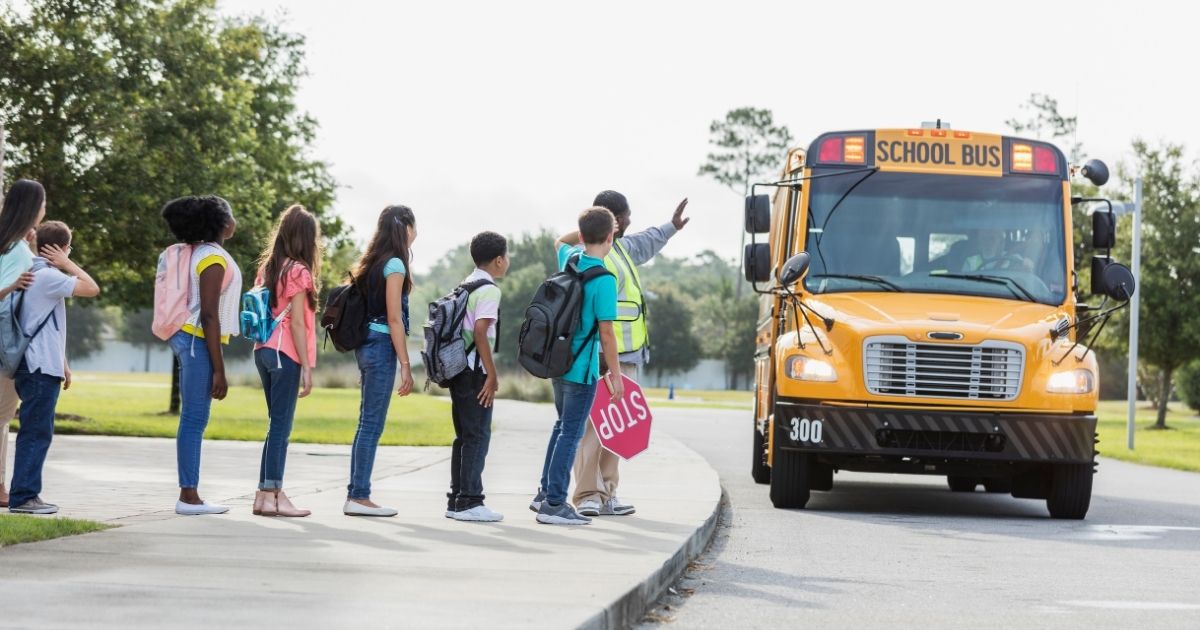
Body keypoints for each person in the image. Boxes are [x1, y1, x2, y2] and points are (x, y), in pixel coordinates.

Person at [568, 191, 689, 517]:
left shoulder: (620, 248)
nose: (630, 220)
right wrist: (592, 220)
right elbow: (562, 243)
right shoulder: (586, 255)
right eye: (625, 216)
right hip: (601, 354)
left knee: (618, 426)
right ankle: (587, 495)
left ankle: (608, 493)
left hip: (628, 354)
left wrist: (672, 226)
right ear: (614, 219)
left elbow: (647, 240)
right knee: (594, 427)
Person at [529, 206, 622, 526]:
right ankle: (555, 503)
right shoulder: (604, 279)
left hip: (557, 362)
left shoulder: (569, 259)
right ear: (611, 237)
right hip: (582, 369)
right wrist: (617, 377)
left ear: (582, 237)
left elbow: (559, 241)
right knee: (571, 433)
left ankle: (544, 494)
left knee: (561, 428)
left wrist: (585, 230)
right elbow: (607, 335)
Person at [6, 221, 100, 514]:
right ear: (62, 248)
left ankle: (25, 493)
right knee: (36, 432)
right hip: (38, 367)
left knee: (34, 430)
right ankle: (24, 497)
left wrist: (63, 363)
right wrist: (67, 263)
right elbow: (92, 288)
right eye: (68, 249)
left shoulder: (32, 272)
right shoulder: (47, 276)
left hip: (33, 363)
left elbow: (44, 323)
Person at [161, 195, 243, 515]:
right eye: (232, 215)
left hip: (190, 339)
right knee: (194, 419)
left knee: (194, 419)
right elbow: (209, 314)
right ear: (223, 224)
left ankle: (190, 493)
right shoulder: (212, 257)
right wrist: (220, 371)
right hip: (197, 341)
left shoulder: (198, 252)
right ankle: (189, 496)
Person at [343, 205, 417, 517]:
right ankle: (359, 496)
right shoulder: (396, 264)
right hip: (381, 345)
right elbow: (394, 319)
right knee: (371, 424)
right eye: (415, 227)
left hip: (366, 345)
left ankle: (357, 494)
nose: (417, 233)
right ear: (406, 229)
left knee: (367, 422)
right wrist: (405, 364)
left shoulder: (373, 262)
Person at [251, 205, 321, 518]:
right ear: (306, 238)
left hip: (262, 351)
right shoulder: (299, 272)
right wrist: (306, 366)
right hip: (285, 353)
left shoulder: (269, 267)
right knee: (281, 426)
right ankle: (273, 495)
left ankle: (265, 494)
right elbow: (296, 324)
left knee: (275, 425)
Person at [445, 231, 509, 523]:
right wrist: (491, 376)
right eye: (506, 258)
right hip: (476, 372)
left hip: (458, 370)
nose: (507, 262)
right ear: (498, 260)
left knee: (464, 436)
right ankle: (471, 500)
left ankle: (457, 498)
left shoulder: (466, 284)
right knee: (478, 435)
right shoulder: (489, 290)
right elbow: (481, 333)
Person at [0, 179, 42, 509]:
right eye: (42, 205)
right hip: (6, 345)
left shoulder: (12, 245)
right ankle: (0, 487)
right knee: (2, 417)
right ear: (33, 208)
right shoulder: (16, 250)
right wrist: (15, 284)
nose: (44, 211)